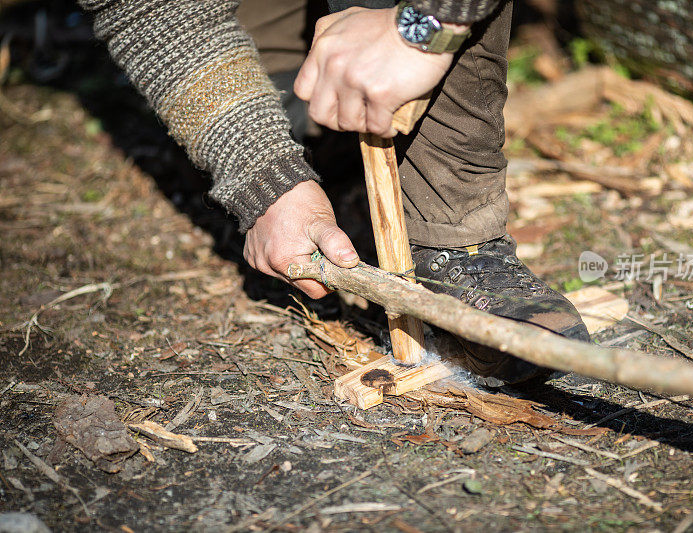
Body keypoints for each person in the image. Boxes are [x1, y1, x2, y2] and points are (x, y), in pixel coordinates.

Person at [79, 0, 590, 387]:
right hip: (280, 52)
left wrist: (426, 24)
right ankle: (339, 167)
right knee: (304, 115)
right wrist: (263, 175)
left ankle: (455, 238)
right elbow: (148, 9)